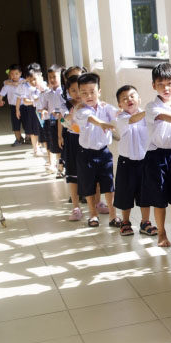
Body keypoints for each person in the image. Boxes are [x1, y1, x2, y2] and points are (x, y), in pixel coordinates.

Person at [141, 62, 171, 248]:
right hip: (156, 157)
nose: (165, 88)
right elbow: (164, 117)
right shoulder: (151, 107)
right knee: (159, 199)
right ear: (154, 86)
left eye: (169, 83)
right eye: (160, 84)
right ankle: (162, 233)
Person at [74, 73, 120, 228]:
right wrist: (103, 124)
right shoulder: (80, 110)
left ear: (99, 91)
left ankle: (113, 215)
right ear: (79, 93)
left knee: (109, 185)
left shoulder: (105, 107)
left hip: (104, 153)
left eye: (92, 92)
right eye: (84, 93)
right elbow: (90, 119)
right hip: (85, 154)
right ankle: (93, 215)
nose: (89, 96)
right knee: (89, 186)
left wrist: (126, 110)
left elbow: (117, 113)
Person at [113, 85, 156, 237]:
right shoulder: (122, 117)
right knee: (125, 193)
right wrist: (150, 111)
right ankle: (125, 222)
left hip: (145, 161)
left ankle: (145, 222)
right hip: (126, 163)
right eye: (124, 98)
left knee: (145, 193)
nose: (129, 100)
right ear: (120, 105)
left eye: (132, 96)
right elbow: (133, 119)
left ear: (139, 99)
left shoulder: (147, 116)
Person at [58, 75, 83, 221]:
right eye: (73, 90)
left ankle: (98, 202)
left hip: (89, 141)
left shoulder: (92, 103)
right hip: (73, 140)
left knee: (94, 174)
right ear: (68, 91)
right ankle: (76, 207)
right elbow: (65, 120)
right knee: (73, 175)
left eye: (80, 90)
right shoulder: (65, 105)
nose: (78, 94)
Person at [38, 64, 65, 176]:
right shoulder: (47, 94)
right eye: (50, 77)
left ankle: (64, 165)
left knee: (64, 143)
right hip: (52, 122)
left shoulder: (64, 92)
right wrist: (44, 111)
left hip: (63, 121)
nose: (52, 79)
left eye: (54, 76)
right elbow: (44, 107)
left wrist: (59, 113)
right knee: (56, 146)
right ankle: (60, 167)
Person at [16, 63, 45, 156]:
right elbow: (23, 100)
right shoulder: (25, 86)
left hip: (43, 109)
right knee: (33, 130)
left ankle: (42, 146)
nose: (33, 79)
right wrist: (35, 101)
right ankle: (35, 149)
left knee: (42, 129)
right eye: (30, 76)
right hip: (32, 110)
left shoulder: (43, 84)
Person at [0, 64, 26, 146]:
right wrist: (0, 100)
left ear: (20, 73)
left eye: (16, 74)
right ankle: (18, 139)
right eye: (12, 74)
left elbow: (29, 81)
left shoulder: (23, 81)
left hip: (24, 106)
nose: (14, 76)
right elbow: (1, 93)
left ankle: (28, 138)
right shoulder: (7, 84)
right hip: (13, 107)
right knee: (15, 124)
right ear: (9, 74)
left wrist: (19, 82)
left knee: (27, 123)